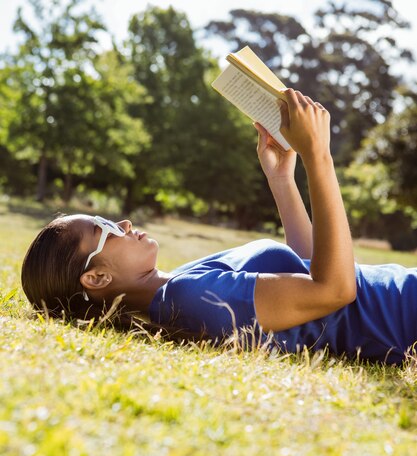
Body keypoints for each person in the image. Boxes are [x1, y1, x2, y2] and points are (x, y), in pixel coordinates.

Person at [21, 89, 417, 364]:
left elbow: (310, 264)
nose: (123, 222)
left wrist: (281, 181)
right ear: (97, 277)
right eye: (104, 228)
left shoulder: (179, 286)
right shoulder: (191, 297)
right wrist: (318, 156)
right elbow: (334, 290)